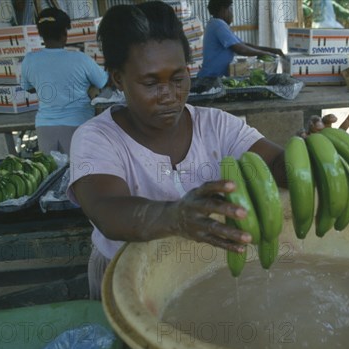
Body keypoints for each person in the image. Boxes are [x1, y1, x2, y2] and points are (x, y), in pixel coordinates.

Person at [67, 1, 286, 300]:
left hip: (202, 271)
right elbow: (106, 209)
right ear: (119, 79)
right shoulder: (97, 138)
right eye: (150, 82)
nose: (169, 95)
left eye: (178, 77)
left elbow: (274, 164)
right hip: (126, 279)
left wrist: (308, 153)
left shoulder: (216, 125)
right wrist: (175, 217)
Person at [21, 8, 109, 155]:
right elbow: (103, 82)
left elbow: (28, 88)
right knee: (80, 173)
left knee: (53, 174)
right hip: (78, 125)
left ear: (41, 34)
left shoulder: (29, 60)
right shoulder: (80, 59)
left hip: (45, 128)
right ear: (64, 34)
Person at [197, 0, 285, 78]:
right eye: (231, 9)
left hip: (213, 77)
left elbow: (243, 44)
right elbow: (241, 49)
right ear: (223, 10)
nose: (232, 14)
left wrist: (271, 50)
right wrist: (266, 53)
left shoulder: (215, 24)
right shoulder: (219, 25)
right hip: (211, 78)